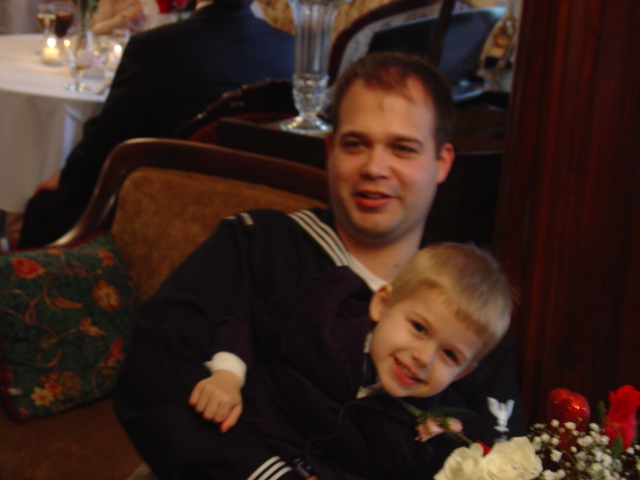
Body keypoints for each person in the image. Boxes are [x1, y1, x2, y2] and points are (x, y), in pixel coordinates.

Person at [114, 51, 525, 480]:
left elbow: (493, 463)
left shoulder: (472, 313)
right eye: (355, 144)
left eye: (403, 148)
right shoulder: (254, 243)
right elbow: (155, 375)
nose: (375, 167)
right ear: (330, 151)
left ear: (441, 162)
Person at [189, 243, 514, 480]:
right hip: (237, 447)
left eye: (450, 355)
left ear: (463, 373)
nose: (424, 358)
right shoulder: (325, 310)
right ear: (382, 304)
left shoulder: (442, 431)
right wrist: (227, 377)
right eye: (419, 328)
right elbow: (250, 322)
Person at [17, 0, 294, 249]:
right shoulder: (289, 49)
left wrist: (66, 181)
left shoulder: (156, 47)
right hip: (260, 219)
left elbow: (107, 139)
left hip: (166, 211)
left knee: (44, 211)